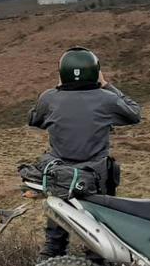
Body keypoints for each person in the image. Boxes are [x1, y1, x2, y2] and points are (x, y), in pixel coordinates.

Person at [28, 46, 142, 261]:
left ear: (63, 72)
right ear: (95, 71)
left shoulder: (49, 98)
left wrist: (59, 89)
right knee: (100, 243)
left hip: (61, 179)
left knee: (55, 241)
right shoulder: (106, 98)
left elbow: (34, 119)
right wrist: (107, 85)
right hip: (96, 179)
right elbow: (134, 113)